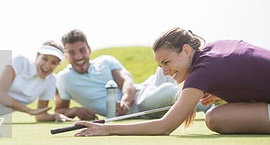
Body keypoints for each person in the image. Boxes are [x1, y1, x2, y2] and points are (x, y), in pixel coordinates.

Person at [74, 27, 270, 136]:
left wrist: (107, 129)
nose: (166, 72)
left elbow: (164, 126)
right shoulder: (212, 49)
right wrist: (224, 92)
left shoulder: (203, 70)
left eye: (167, 62)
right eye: (161, 67)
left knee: (214, 118)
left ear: (186, 50)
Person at [55, 29, 199, 121]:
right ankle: (208, 104)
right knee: (168, 90)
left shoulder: (106, 60)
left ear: (89, 49)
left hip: (143, 91)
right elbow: (60, 110)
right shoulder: (63, 79)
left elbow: (126, 81)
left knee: (171, 69)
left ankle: (212, 91)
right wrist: (75, 110)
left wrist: (125, 100)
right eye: (72, 53)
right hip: (139, 108)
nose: (79, 56)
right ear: (65, 55)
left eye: (82, 50)